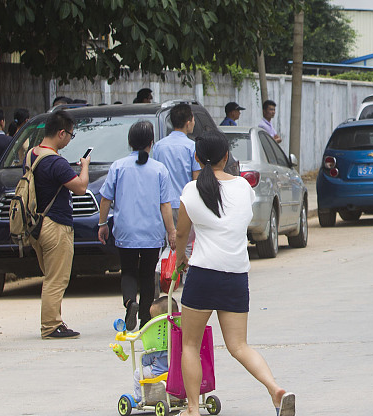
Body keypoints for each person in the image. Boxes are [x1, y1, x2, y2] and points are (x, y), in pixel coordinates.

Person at [174, 132, 294, 416]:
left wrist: (180, 260)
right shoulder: (242, 187)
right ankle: (275, 389)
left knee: (190, 344)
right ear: (226, 156)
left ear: (196, 158)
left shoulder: (190, 191)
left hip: (203, 274)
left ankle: (193, 409)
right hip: (236, 276)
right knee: (239, 346)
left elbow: (181, 234)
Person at [98, 120, 176, 331]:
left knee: (128, 272)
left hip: (126, 231)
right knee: (148, 275)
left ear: (130, 142)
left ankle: (129, 302)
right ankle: (145, 318)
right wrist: (171, 232)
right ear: (151, 143)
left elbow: (105, 199)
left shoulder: (118, 167)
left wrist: (102, 224)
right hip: (152, 232)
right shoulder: (159, 169)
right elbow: (165, 205)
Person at [29, 111, 91, 338]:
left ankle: (54, 321)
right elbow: (81, 187)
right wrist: (84, 166)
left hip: (37, 223)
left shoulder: (32, 154)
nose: (69, 140)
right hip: (55, 225)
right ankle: (51, 326)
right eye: (70, 136)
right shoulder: (56, 161)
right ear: (61, 133)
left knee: (51, 276)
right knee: (56, 278)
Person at [152, 103, 198, 216]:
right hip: (185, 203)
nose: (194, 123)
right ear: (188, 123)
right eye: (193, 120)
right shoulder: (192, 147)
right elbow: (196, 179)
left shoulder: (158, 146)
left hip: (163, 204)